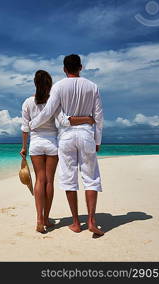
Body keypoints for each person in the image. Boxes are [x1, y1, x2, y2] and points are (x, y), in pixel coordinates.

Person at [28, 55, 104, 236]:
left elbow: (49, 111)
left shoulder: (59, 87)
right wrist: (98, 140)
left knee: (70, 179)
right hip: (87, 134)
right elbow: (98, 117)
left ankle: (77, 223)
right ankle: (92, 220)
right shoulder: (92, 87)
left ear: (64, 69)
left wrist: (32, 124)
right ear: (81, 67)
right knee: (91, 178)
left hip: (66, 137)